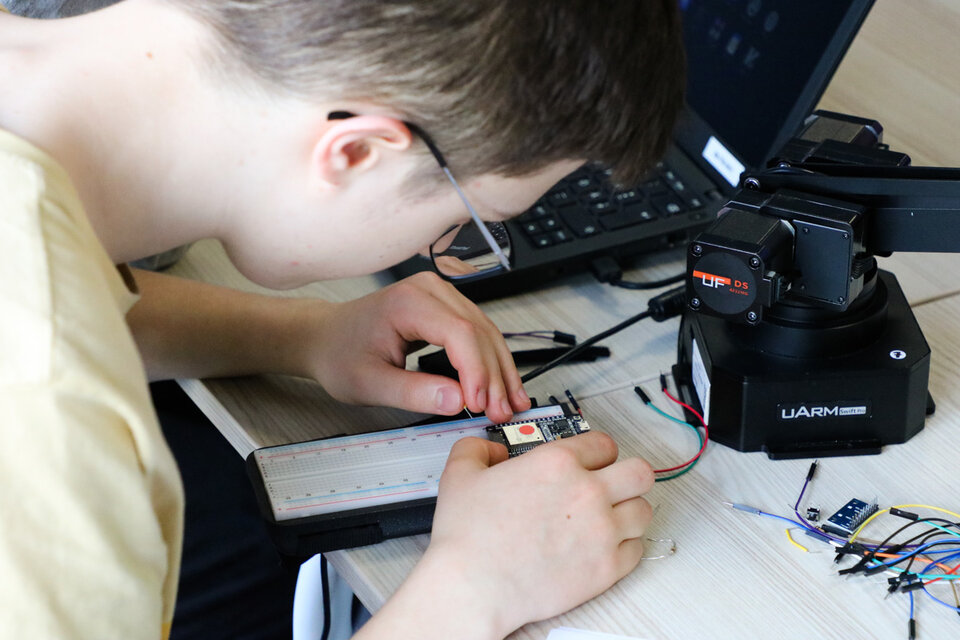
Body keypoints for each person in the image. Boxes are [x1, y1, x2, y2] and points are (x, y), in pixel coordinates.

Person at [0, 0, 685, 638]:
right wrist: (471, 592)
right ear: (355, 152)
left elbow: (78, 299)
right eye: (465, 223)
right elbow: (52, 333)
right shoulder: (48, 398)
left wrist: (305, 334)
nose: (431, 250)